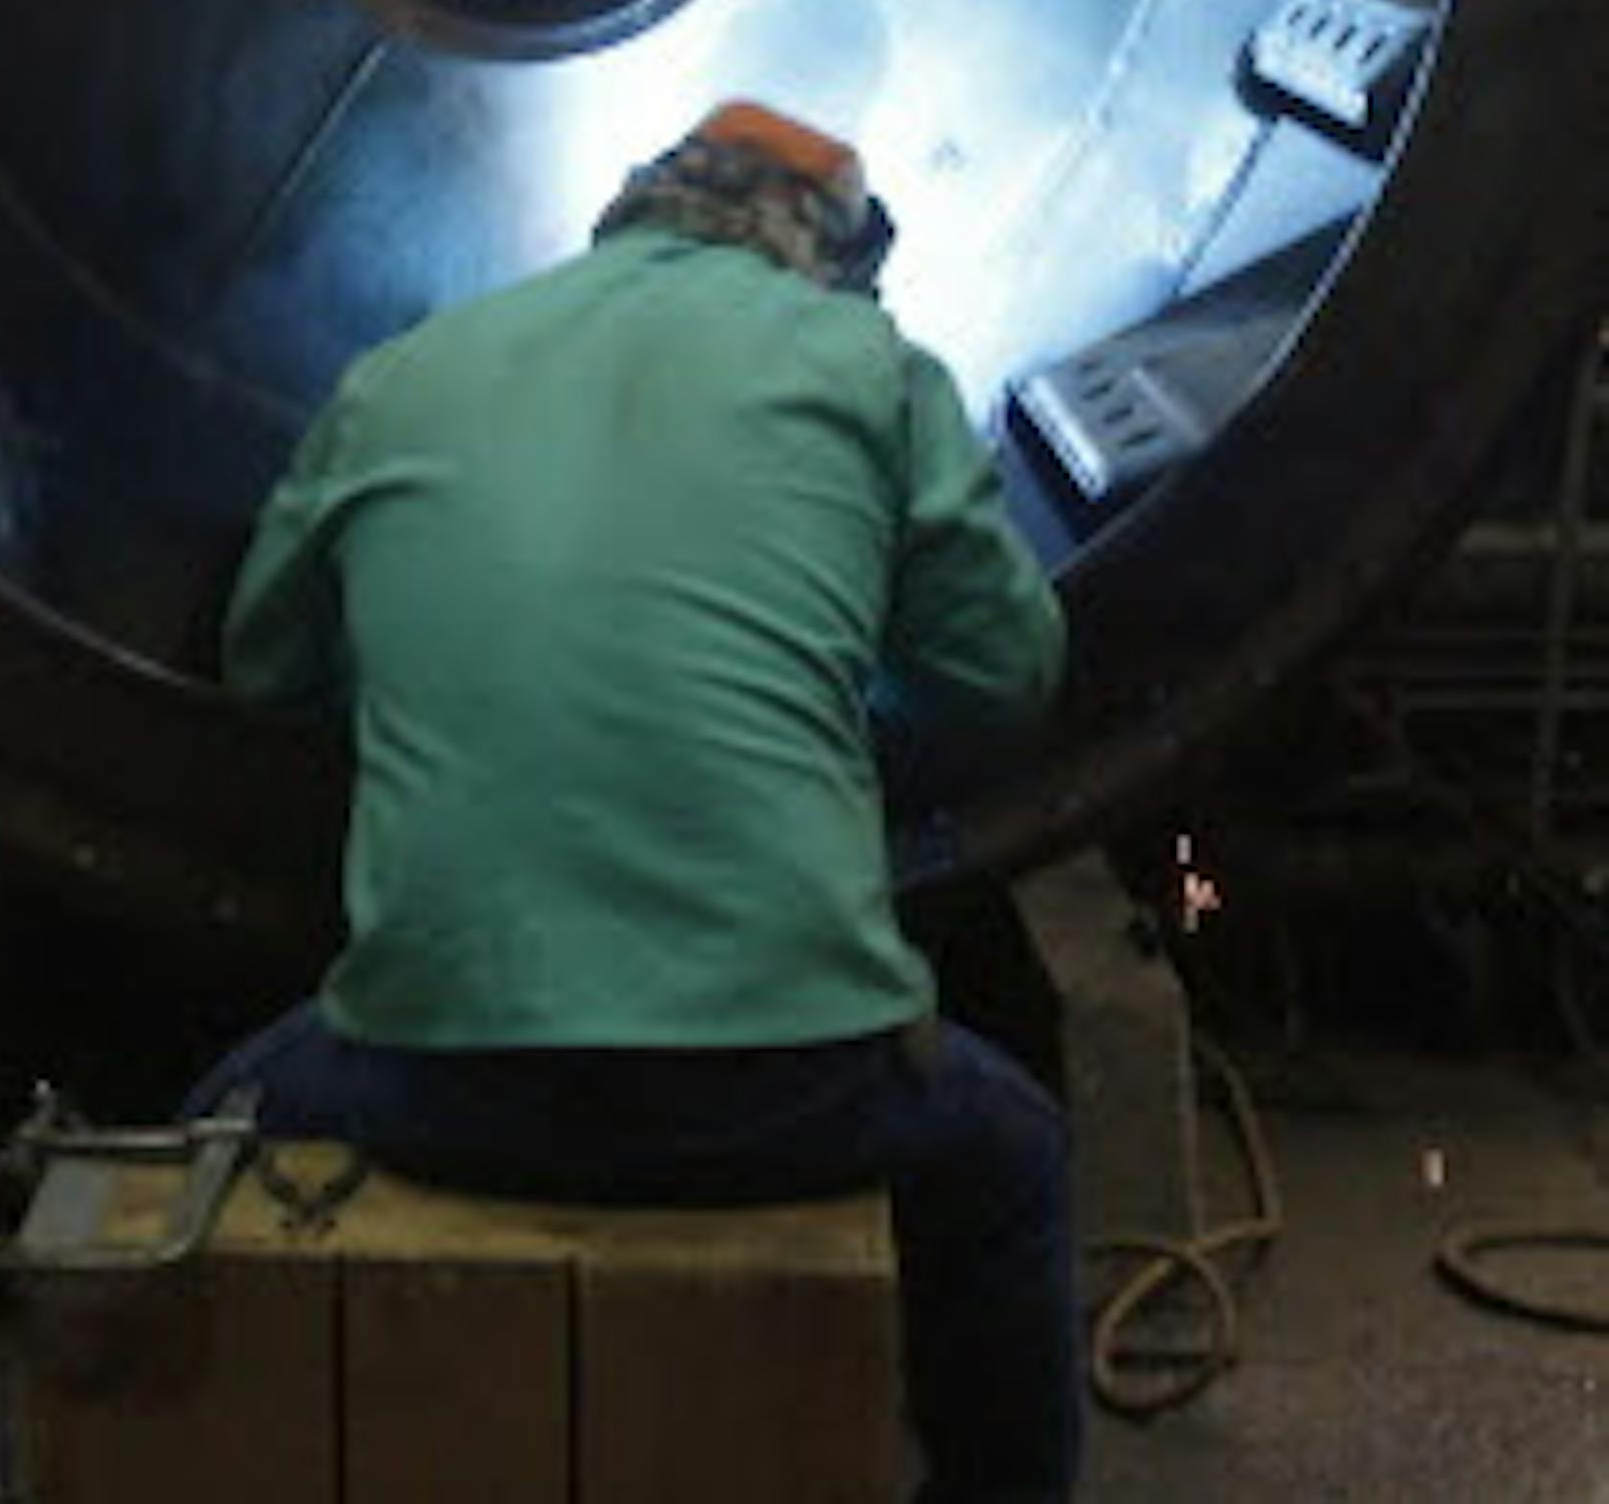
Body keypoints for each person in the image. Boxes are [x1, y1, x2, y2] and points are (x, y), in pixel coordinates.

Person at [188, 99, 1080, 1504]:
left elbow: (265, 669)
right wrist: (827, 686)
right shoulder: (871, 363)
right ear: (826, 255)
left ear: (629, 214)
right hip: (787, 1084)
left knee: (207, 1119)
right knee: (1012, 1155)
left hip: (433, 1074)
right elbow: (1007, 672)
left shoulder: (404, 373)